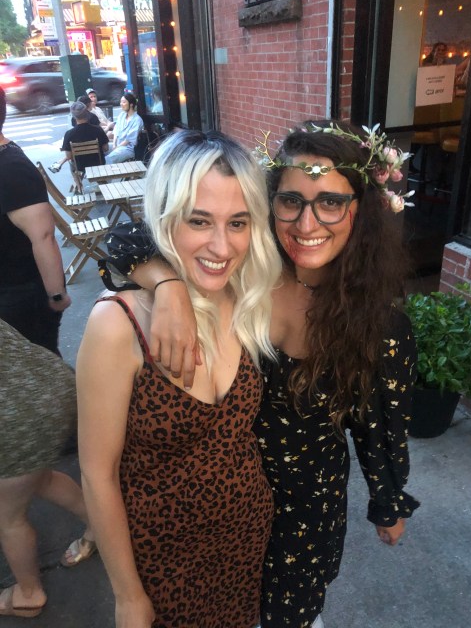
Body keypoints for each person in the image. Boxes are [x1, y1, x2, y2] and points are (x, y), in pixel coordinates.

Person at [99, 120, 420, 628]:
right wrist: (167, 285)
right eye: (291, 201)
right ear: (270, 205)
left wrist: (389, 500)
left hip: (305, 513)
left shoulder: (380, 326)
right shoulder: (246, 273)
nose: (307, 223)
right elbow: (127, 236)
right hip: (220, 511)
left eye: (330, 202)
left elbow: (381, 425)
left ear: (359, 212)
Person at [77, 130, 282, 627]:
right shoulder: (117, 325)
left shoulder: (251, 296)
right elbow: (97, 476)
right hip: (160, 566)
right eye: (198, 221)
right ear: (166, 219)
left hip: (249, 543)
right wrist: (127, 596)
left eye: (238, 222)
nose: (221, 244)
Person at [0, 318, 96, 619]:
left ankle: (29, 594)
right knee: (41, 478)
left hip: (16, 419)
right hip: (51, 383)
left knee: (9, 517)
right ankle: (100, 527)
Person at [0, 86, 70, 354]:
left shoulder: (12, 169)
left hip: (21, 297)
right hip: (12, 293)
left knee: (42, 370)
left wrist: (56, 294)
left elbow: (43, 236)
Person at [105, 92, 143, 164]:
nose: (121, 104)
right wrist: (114, 145)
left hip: (127, 149)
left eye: (124, 102)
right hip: (117, 145)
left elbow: (129, 139)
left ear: (131, 104)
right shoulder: (122, 115)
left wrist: (117, 147)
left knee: (108, 159)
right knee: (101, 151)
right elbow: (116, 131)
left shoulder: (137, 120)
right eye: (120, 102)